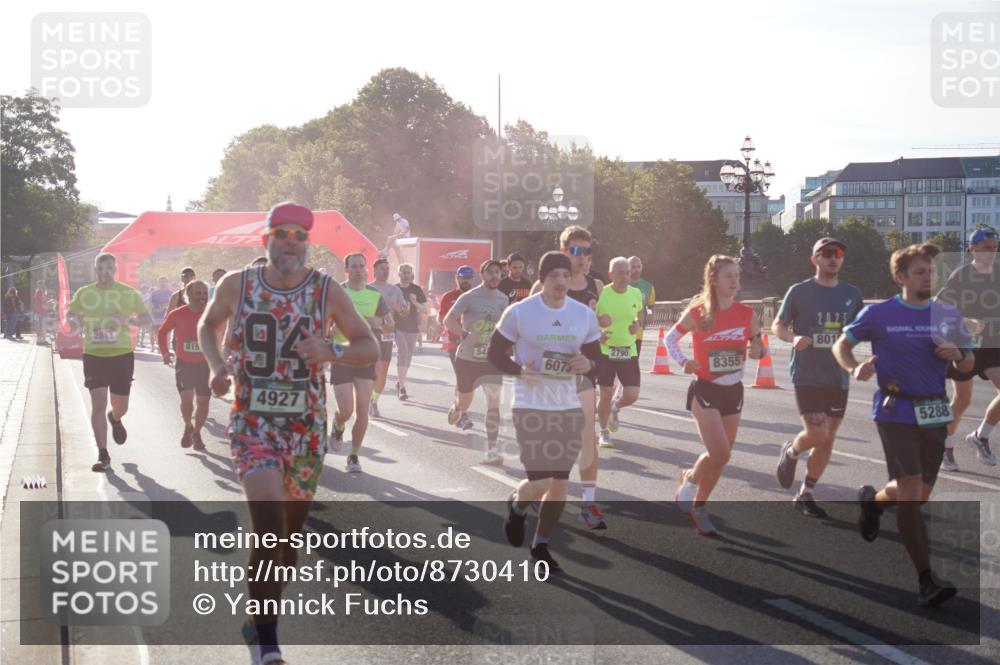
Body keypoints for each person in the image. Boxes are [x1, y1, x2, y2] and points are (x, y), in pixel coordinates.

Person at [198, 202, 378, 664]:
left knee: (289, 540)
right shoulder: (236, 284)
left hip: (306, 427)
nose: (291, 243)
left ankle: (261, 611)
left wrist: (331, 349)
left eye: (300, 235)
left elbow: (367, 345)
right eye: (282, 234)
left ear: (308, 244)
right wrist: (217, 366)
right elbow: (208, 323)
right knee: (270, 530)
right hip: (253, 422)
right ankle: (267, 637)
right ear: (267, 240)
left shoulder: (325, 290)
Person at [833, 242, 973, 607]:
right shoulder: (879, 314)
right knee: (911, 491)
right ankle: (927, 579)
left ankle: (875, 503)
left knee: (919, 494)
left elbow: (969, 363)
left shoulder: (947, 314)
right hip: (896, 410)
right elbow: (840, 345)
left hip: (935, 412)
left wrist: (959, 356)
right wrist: (854, 367)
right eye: (919, 272)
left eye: (931, 271)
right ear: (900, 277)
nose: (928, 277)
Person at [489, 251, 602, 571]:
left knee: (560, 484)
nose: (561, 282)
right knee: (540, 482)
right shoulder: (521, 312)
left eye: (566, 276)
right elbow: (495, 353)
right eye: (554, 276)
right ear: (543, 279)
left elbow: (597, 356)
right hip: (530, 404)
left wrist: (589, 363)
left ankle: (541, 545)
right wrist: (518, 371)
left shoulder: (582, 315)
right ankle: (517, 506)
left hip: (567, 405)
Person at [669, 255, 766, 536]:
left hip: (734, 391)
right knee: (719, 452)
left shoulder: (747, 314)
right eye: (729, 276)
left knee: (722, 457)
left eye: (737, 276)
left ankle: (698, 502)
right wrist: (683, 361)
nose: (735, 281)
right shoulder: (699, 313)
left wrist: (760, 351)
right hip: (706, 390)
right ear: (714, 279)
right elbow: (670, 339)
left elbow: (758, 346)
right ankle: (690, 484)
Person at [772, 237, 864, 518]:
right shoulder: (799, 291)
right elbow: (778, 324)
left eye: (837, 253)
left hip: (838, 375)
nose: (833, 258)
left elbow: (864, 326)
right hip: (807, 373)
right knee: (817, 432)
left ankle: (806, 493)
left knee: (828, 437)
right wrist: (793, 337)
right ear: (815, 259)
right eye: (826, 254)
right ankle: (791, 451)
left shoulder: (852, 293)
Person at [532, 225, 607, 529]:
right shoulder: (543, 287)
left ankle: (589, 502)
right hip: (550, 374)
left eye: (587, 251)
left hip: (582, 373)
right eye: (577, 251)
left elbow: (593, 330)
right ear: (564, 252)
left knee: (588, 435)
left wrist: (601, 331)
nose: (583, 257)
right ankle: (539, 494)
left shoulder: (597, 286)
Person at [66, 254, 152, 472]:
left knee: (120, 406)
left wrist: (128, 320)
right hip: (94, 354)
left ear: (115, 269)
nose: (105, 272)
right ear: (95, 269)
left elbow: (146, 319)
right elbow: (70, 316)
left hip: (121, 354)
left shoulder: (127, 293)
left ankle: (115, 418)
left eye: (109, 268)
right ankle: (103, 453)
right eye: (100, 268)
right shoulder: (85, 293)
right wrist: (77, 322)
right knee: (98, 400)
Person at [935, 227, 1000, 470]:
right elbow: (938, 307)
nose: (992, 252)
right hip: (964, 345)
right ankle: (945, 447)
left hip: (993, 344)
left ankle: (980, 436)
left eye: (995, 248)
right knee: (962, 400)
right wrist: (966, 322)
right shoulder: (962, 275)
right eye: (986, 248)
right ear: (972, 249)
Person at [332, 253, 393, 472]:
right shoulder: (338, 292)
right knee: (346, 410)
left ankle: (354, 456)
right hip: (342, 355)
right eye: (354, 266)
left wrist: (379, 323)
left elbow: (390, 325)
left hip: (366, 356)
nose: (358, 270)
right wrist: (331, 331)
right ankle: (338, 426)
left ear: (366, 269)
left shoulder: (375, 295)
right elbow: (323, 324)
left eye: (361, 266)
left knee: (363, 410)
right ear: (347, 269)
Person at [443, 259, 509, 463]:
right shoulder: (469, 297)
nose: (494, 276)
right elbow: (448, 320)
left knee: (493, 405)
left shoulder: (503, 299)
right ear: (482, 275)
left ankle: (492, 448)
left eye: (498, 272)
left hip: (492, 359)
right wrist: (464, 335)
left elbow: (506, 326)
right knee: (465, 401)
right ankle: (457, 408)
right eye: (490, 272)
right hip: (468, 358)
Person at [595, 257, 644, 449]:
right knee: (605, 393)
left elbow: (639, 312)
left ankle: (616, 408)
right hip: (605, 351)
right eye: (620, 273)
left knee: (632, 395)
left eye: (628, 273)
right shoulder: (602, 294)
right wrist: (598, 332)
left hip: (627, 349)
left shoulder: (635, 293)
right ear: (610, 275)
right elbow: (590, 318)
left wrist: (637, 324)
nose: (625, 277)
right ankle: (604, 432)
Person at [159, 280, 212, 451]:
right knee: (187, 401)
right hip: (185, 363)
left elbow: (224, 333)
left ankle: (197, 433)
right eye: (198, 293)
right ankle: (188, 425)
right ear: (188, 296)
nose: (202, 297)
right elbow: (162, 332)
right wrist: (165, 352)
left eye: (205, 293)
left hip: (206, 364)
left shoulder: (212, 313)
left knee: (203, 403)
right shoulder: (177, 314)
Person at [369, 257, 406, 416]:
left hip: (388, 333)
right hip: (370, 332)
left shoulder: (395, 290)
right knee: (374, 368)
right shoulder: (367, 289)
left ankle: (374, 401)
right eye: (382, 268)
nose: (385, 271)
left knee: (383, 369)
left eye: (387, 268)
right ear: (374, 271)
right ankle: (366, 397)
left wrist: (402, 309)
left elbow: (404, 311)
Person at [394, 263, 427, 400]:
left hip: (412, 328)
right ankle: (402, 388)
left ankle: (399, 381)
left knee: (408, 358)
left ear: (411, 274)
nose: (406, 275)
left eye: (409, 272)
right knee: (402, 353)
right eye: (404, 272)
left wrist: (415, 303)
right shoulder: (394, 289)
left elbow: (425, 308)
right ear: (399, 274)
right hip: (398, 327)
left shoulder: (416, 289)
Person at [439, 266, 475, 372]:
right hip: (454, 341)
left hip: (473, 341)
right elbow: (441, 316)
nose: (466, 280)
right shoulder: (448, 296)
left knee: (470, 374)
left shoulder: (477, 296)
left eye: (468, 278)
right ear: (457, 278)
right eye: (463, 278)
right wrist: (440, 324)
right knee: (461, 374)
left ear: (472, 279)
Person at [628, 256, 656, 358]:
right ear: (628, 268)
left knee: (633, 363)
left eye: (638, 266)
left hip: (637, 333)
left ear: (642, 267)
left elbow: (650, 306)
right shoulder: (621, 284)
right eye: (633, 267)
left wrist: (651, 313)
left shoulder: (648, 287)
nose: (636, 269)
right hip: (620, 331)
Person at [149, 276, 172, 353]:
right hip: (156, 317)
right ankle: (160, 346)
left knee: (167, 335)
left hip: (167, 317)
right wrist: (155, 310)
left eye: (164, 281)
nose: (163, 283)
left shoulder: (171, 294)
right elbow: (150, 305)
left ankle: (166, 350)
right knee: (158, 334)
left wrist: (166, 307)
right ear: (158, 283)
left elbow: (173, 305)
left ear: (167, 283)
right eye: (161, 281)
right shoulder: (154, 293)